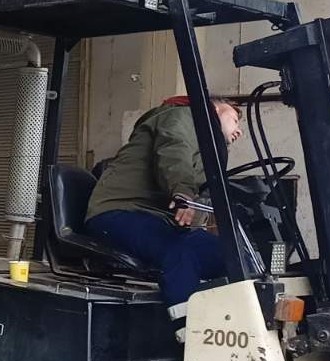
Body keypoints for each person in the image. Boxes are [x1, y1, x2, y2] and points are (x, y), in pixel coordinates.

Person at [84, 97, 243, 330]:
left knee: (232, 253)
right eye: (235, 119)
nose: (239, 131)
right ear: (216, 108)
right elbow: (174, 150)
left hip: (156, 219)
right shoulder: (182, 116)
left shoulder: (209, 147)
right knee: (178, 251)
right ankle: (188, 333)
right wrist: (183, 194)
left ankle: (236, 328)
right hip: (118, 210)